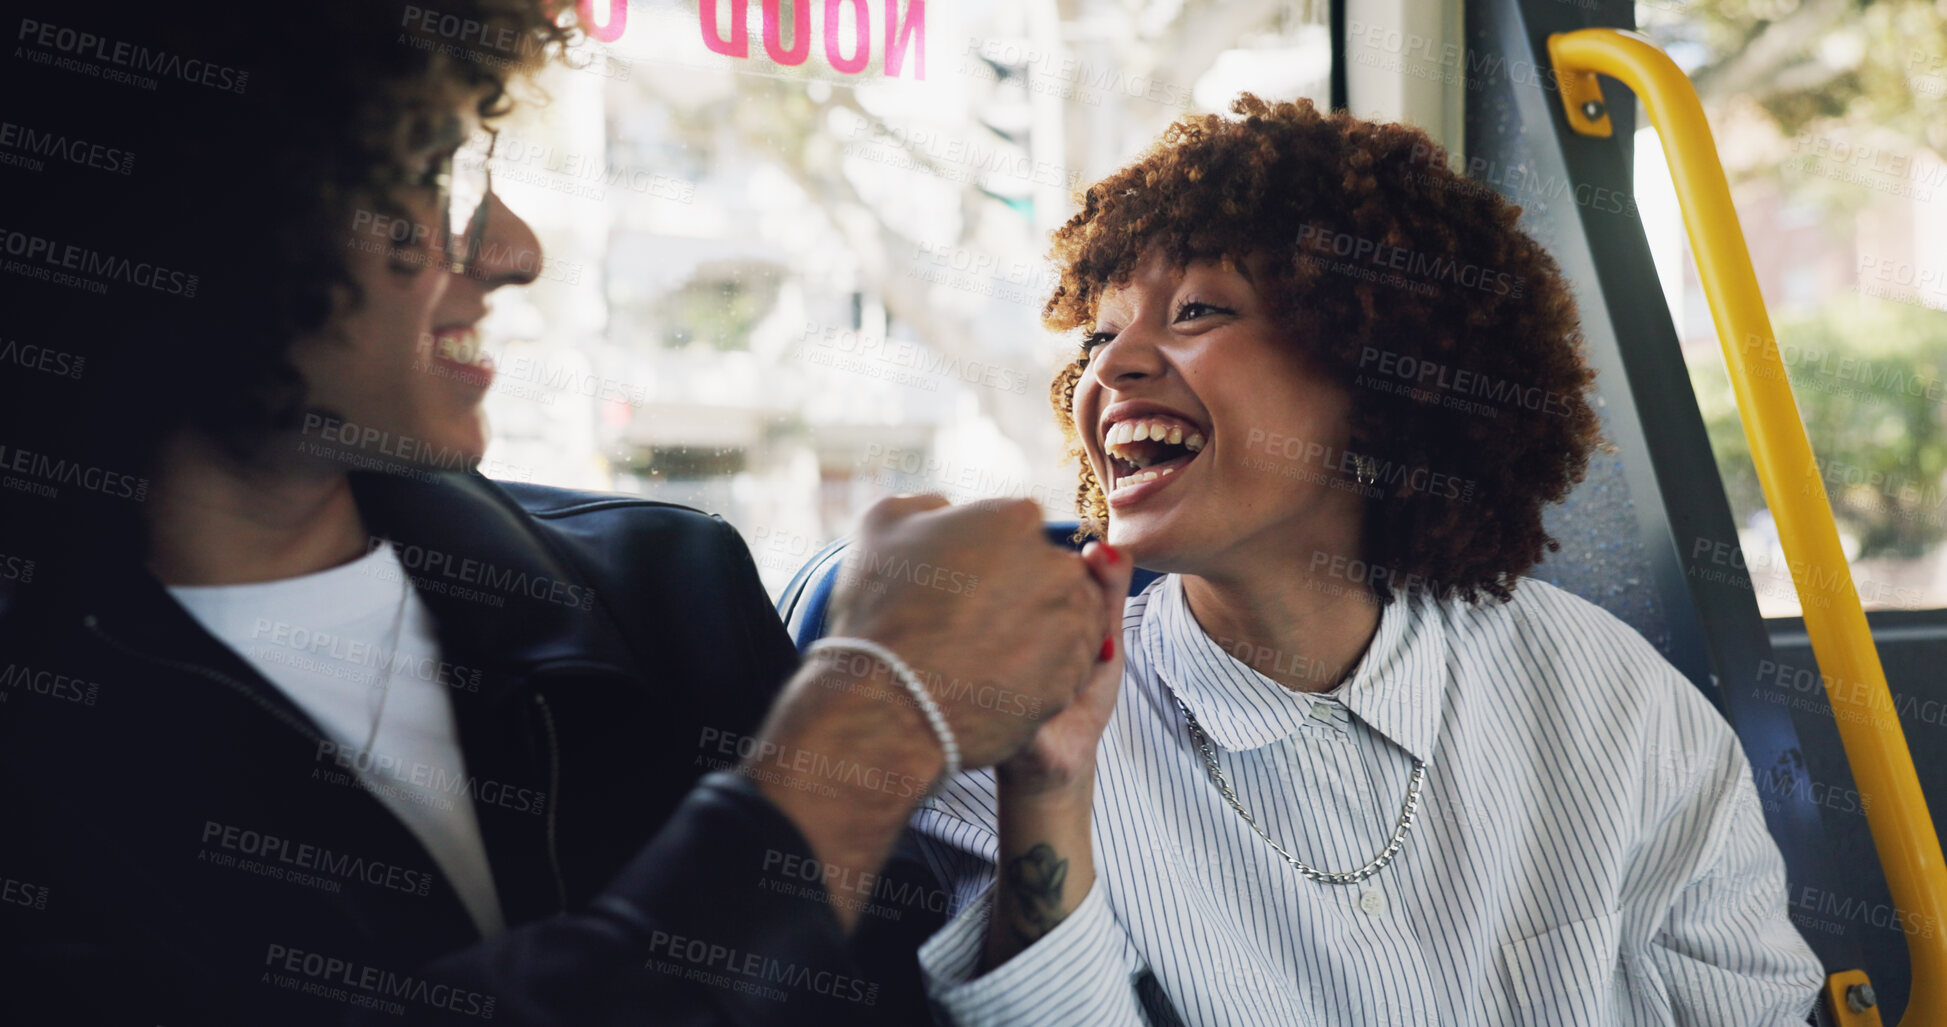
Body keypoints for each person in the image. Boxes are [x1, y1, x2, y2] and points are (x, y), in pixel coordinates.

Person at [0, 3, 1128, 1024]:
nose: (512, 252)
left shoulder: (671, 588)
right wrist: (869, 718)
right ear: (201, 212)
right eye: (430, 177)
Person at [908, 95, 1827, 1024]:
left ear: (1377, 368)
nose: (1110, 369)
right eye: (1099, 335)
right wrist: (1047, 792)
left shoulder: (1615, 701)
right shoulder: (1025, 739)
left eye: (1196, 311)